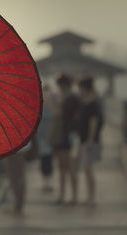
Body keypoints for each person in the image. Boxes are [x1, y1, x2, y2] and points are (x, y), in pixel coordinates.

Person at [76, 75, 103, 207]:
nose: (79, 90)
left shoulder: (93, 103)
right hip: (83, 140)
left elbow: (94, 123)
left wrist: (90, 140)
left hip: (89, 140)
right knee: (86, 169)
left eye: (80, 87)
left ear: (85, 88)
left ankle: (92, 198)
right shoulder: (84, 101)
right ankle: (89, 197)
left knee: (88, 169)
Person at [54, 73, 80, 205]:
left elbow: (60, 114)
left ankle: (72, 196)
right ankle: (63, 195)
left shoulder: (71, 99)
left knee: (69, 167)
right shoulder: (67, 98)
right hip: (63, 135)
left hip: (68, 136)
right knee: (62, 167)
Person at [37, 83, 58, 193]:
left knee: (48, 161)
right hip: (42, 137)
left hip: (47, 137)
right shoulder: (40, 107)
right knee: (45, 161)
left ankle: (47, 183)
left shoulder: (49, 108)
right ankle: (46, 182)